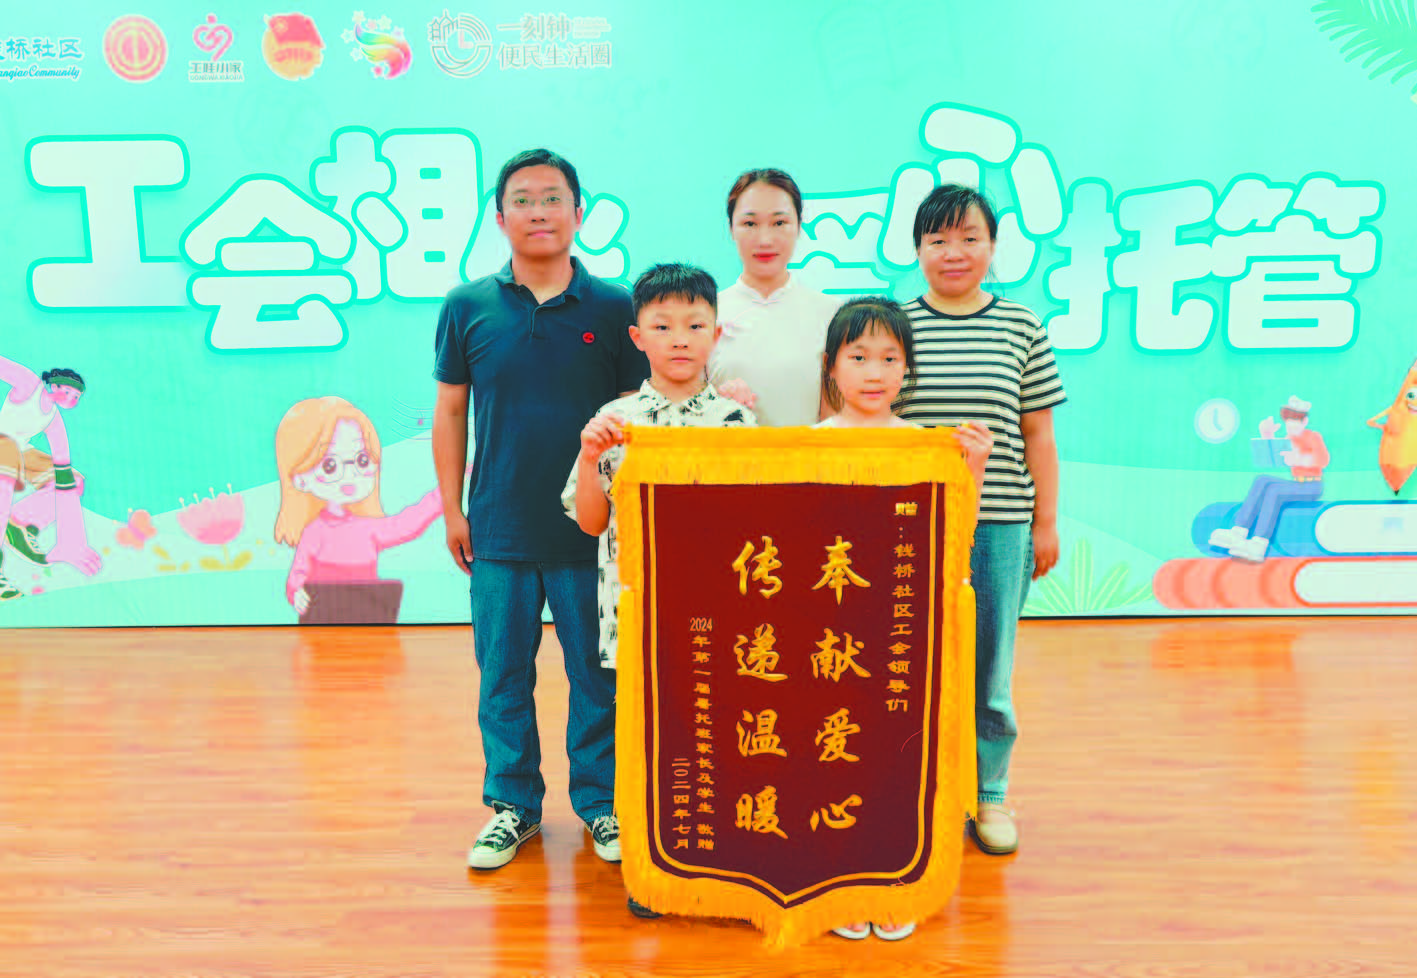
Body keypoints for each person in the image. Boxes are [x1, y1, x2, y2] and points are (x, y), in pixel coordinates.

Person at [431, 148, 650, 871]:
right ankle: (513, 806)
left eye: (552, 198)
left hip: (594, 531)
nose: (538, 212)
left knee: (597, 677)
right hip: (497, 526)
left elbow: (641, 413)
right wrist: (452, 509)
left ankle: (601, 802)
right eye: (521, 200)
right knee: (502, 676)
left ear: (578, 212)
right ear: (499, 218)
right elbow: (450, 410)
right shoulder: (467, 306)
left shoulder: (616, 307)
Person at [564, 262, 756, 919]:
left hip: (720, 619)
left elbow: (757, 525)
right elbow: (590, 522)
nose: (679, 338)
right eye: (663, 325)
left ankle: (720, 859)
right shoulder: (612, 421)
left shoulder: (737, 422)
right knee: (646, 741)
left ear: (716, 335)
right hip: (638, 618)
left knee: (718, 735)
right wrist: (588, 456)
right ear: (637, 336)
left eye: (695, 325)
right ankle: (653, 867)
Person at [813, 297, 992, 942]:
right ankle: (841, 877)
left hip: (900, 626)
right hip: (829, 629)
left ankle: (892, 878)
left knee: (895, 754)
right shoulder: (806, 446)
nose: (874, 372)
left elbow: (955, 539)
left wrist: (972, 469)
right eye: (858, 356)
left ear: (908, 368)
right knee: (832, 750)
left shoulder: (925, 446)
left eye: (890, 358)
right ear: (832, 366)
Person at [896, 184, 1066, 858]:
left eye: (969, 238)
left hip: (998, 524)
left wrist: (1045, 523)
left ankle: (989, 794)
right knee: (908, 663)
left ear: (992, 247)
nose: (954, 252)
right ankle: (915, 791)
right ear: (916, 250)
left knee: (989, 667)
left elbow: (1038, 434)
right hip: (911, 527)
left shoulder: (1021, 325)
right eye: (937, 240)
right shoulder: (893, 325)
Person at [273, 396, 441, 623]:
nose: (350, 475)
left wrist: (444, 494)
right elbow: (298, 574)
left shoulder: (368, 529)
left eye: (362, 460)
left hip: (367, 621)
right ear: (300, 479)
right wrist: (297, 592)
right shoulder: (314, 532)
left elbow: (408, 523)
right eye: (330, 465)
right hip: (323, 623)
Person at [708, 168, 839, 426]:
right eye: (750, 224)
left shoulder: (831, 314)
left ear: (799, 225)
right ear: (731, 228)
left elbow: (834, 419)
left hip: (807, 452)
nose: (765, 239)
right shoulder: (706, 314)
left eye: (779, 223)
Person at [0, 357, 102, 600]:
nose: (72, 399)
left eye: (77, 397)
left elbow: (63, 470)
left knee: (74, 480)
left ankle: (22, 521)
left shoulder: (53, 420)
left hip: (20, 451)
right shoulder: (29, 385)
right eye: (68, 391)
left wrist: (71, 542)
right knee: (8, 460)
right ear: (53, 385)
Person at [1209, 395, 1328, 561]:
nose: (1291, 426)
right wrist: (1267, 435)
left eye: (1296, 422)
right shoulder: (1289, 439)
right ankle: (1238, 531)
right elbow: (1271, 459)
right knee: (1262, 480)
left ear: (1305, 422)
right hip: (1297, 483)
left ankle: (1259, 542)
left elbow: (1323, 459)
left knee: (1274, 491)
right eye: (1288, 422)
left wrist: (1300, 458)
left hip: (1312, 486)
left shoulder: (1312, 436)